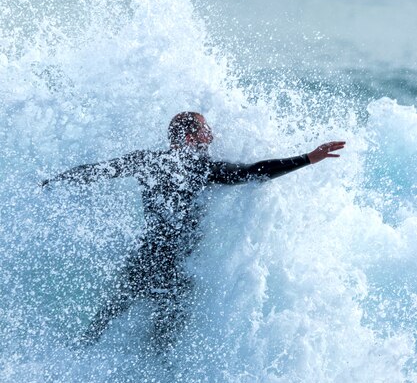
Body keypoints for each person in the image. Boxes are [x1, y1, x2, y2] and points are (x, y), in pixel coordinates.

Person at [42, 112, 345, 347]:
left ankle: (73, 363)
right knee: (161, 342)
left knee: (100, 325)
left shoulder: (147, 161)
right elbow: (254, 172)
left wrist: (54, 181)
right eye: (204, 128)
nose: (211, 133)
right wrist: (307, 158)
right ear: (190, 137)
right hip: (175, 268)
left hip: (144, 259)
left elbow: (96, 171)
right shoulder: (203, 168)